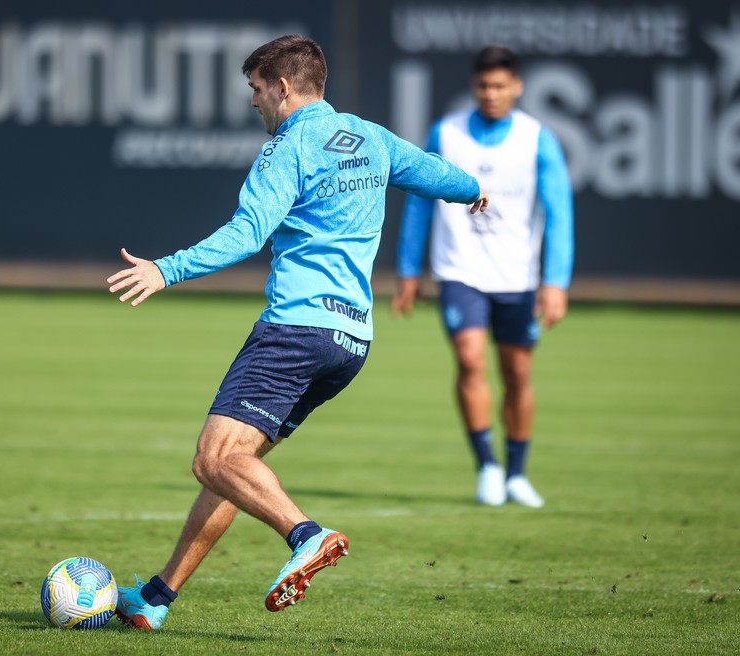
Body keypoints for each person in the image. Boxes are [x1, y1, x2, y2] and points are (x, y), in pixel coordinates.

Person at [107, 34, 488, 630]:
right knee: (237, 467)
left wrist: (166, 269)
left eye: (256, 89)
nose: (253, 101)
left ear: (283, 87)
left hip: (295, 329)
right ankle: (157, 597)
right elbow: (432, 172)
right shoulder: (370, 136)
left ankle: (305, 535)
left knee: (213, 460)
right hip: (350, 341)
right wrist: (473, 190)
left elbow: (247, 232)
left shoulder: (287, 147)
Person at [391, 45, 574, 508]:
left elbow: (559, 213)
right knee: (470, 360)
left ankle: (517, 473)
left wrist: (556, 281)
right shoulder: (446, 133)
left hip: (517, 276)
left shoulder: (537, 139)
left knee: (517, 373)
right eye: (483, 86)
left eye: (499, 86)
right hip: (459, 269)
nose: (490, 94)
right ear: (474, 87)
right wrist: (409, 270)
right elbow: (419, 201)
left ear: (517, 87)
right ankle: (488, 465)